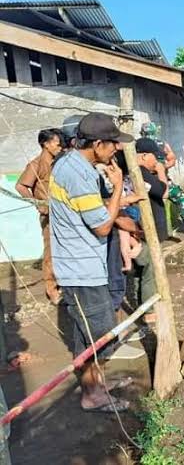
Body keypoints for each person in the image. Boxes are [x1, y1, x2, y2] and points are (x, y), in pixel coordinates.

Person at [49, 112, 133, 412]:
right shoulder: (77, 173)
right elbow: (101, 226)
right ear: (97, 144)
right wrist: (120, 184)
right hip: (81, 268)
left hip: (84, 264)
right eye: (112, 144)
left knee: (91, 331)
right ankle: (91, 395)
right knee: (98, 334)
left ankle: (96, 385)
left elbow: (94, 210)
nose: (116, 149)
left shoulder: (77, 165)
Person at [15, 129, 64, 304]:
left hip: (63, 213)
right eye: (57, 143)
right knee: (51, 252)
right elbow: (20, 186)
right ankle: (52, 290)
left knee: (64, 250)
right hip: (48, 215)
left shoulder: (58, 162)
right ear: (46, 144)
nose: (60, 147)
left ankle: (64, 283)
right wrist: (38, 203)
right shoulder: (36, 164)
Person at [139, 122, 184, 236]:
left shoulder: (146, 144)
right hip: (154, 179)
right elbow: (172, 159)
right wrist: (162, 167)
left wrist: (162, 167)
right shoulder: (151, 144)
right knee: (181, 198)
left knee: (179, 199)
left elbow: (171, 159)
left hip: (156, 179)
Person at [135, 138, 169, 242]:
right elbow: (164, 194)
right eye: (155, 157)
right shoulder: (141, 171)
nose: (156, 161)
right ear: (144, 156)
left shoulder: (143, 172)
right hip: (150, 233)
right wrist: (161, 171)